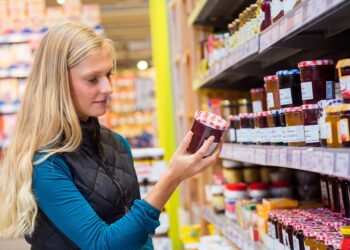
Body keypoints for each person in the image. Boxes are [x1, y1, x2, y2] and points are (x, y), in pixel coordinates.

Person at [0, 23, 222, 250]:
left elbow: (137, 232)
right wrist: (172, 178)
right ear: (58, 83)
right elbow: (101, 244)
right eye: (92, 79)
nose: (108, 88)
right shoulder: (46, 163)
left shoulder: (116, 144)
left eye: (108, 74)